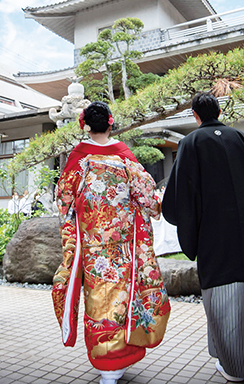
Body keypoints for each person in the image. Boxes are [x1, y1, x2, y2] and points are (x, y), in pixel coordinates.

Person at [162, 92, 244, 382]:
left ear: (195, 115)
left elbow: (182, 197)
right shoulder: (242, 139)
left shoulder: (190, 143)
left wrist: (184, 223)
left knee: (223, 300)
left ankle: (236, 367)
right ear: (219, 110)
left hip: (215, 236)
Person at [52, 101, 171, 384]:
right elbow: (149, 198)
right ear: (110, 123)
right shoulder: (125, 158)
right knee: (122, 300)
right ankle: (117, 361)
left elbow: (63, 199)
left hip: (93, 249)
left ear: (86, 125)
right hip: (124, 248)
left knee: (98, 302)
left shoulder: (79, 160)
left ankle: (107, 366)